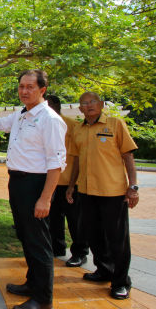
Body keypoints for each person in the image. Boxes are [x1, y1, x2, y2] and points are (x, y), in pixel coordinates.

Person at [0, 69, 66, 309]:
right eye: (21, 86)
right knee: (25, 237)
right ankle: (33, 284)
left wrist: (45, 198)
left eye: (30, 87)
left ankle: (44, 300)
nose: (24, 91)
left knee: (39, 242)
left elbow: (56, 164)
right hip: (18, 183)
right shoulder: (21, 115)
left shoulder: (50, 120)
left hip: (36, 185)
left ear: (42, 90)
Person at [66, 92, 139, 300]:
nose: (88, 106)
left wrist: (133, 187)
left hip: (113, 192)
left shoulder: (115, 124)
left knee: (117, 239)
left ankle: (121, 282)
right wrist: (71, 186)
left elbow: (128, 156)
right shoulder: (78, 130)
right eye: (84, 103)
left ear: (101, 104)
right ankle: (104, 270)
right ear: (79, 109)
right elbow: (77, 161)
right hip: (87, 192)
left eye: (92, 102)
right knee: (94, 235)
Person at [44, 95, 88, 267]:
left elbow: (78, 155)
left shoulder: (71, 125)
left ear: (56, 106)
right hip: (51, 181)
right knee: (53, 218)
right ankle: (57, 248)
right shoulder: (43, 124)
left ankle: (80, 252)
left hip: (70, 182)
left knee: (75, 220)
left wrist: (72, 183)